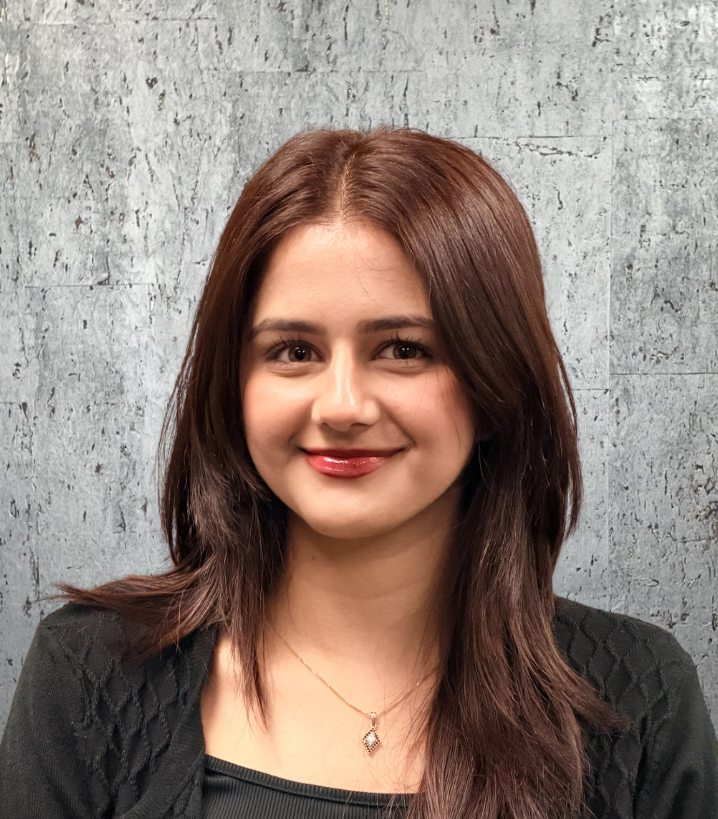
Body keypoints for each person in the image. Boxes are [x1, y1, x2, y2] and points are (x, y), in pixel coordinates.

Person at [0, 127, 716, 819]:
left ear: (497, 383)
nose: (342, 405)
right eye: (293, 350)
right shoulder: (89, 674)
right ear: (235, 384)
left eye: (404, 349)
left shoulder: (640, 699)